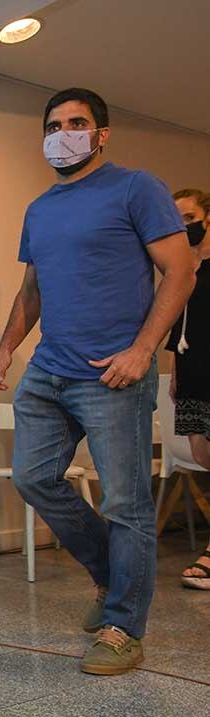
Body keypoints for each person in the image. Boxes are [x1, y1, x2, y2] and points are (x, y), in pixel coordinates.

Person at [0, 88, 196, 675]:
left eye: (76, 123)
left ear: (101, 134)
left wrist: (142, 351)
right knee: (32, 478)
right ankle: (112, 577)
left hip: (113, 375)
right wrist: (7, 347)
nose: (63, 133)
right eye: (54, 125)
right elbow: (34, 289)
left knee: (126, 504)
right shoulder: (41, 208)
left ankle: (124, 628)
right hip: (50, 370)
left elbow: (180, 272)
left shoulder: (137, 188)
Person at [169, 188, 210, 589]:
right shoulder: (181, 268)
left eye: (190, 217)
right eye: (176, 218)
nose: (184, 225)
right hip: (192, 373)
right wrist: (175, 372)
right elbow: (173, 321)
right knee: (201, 455)